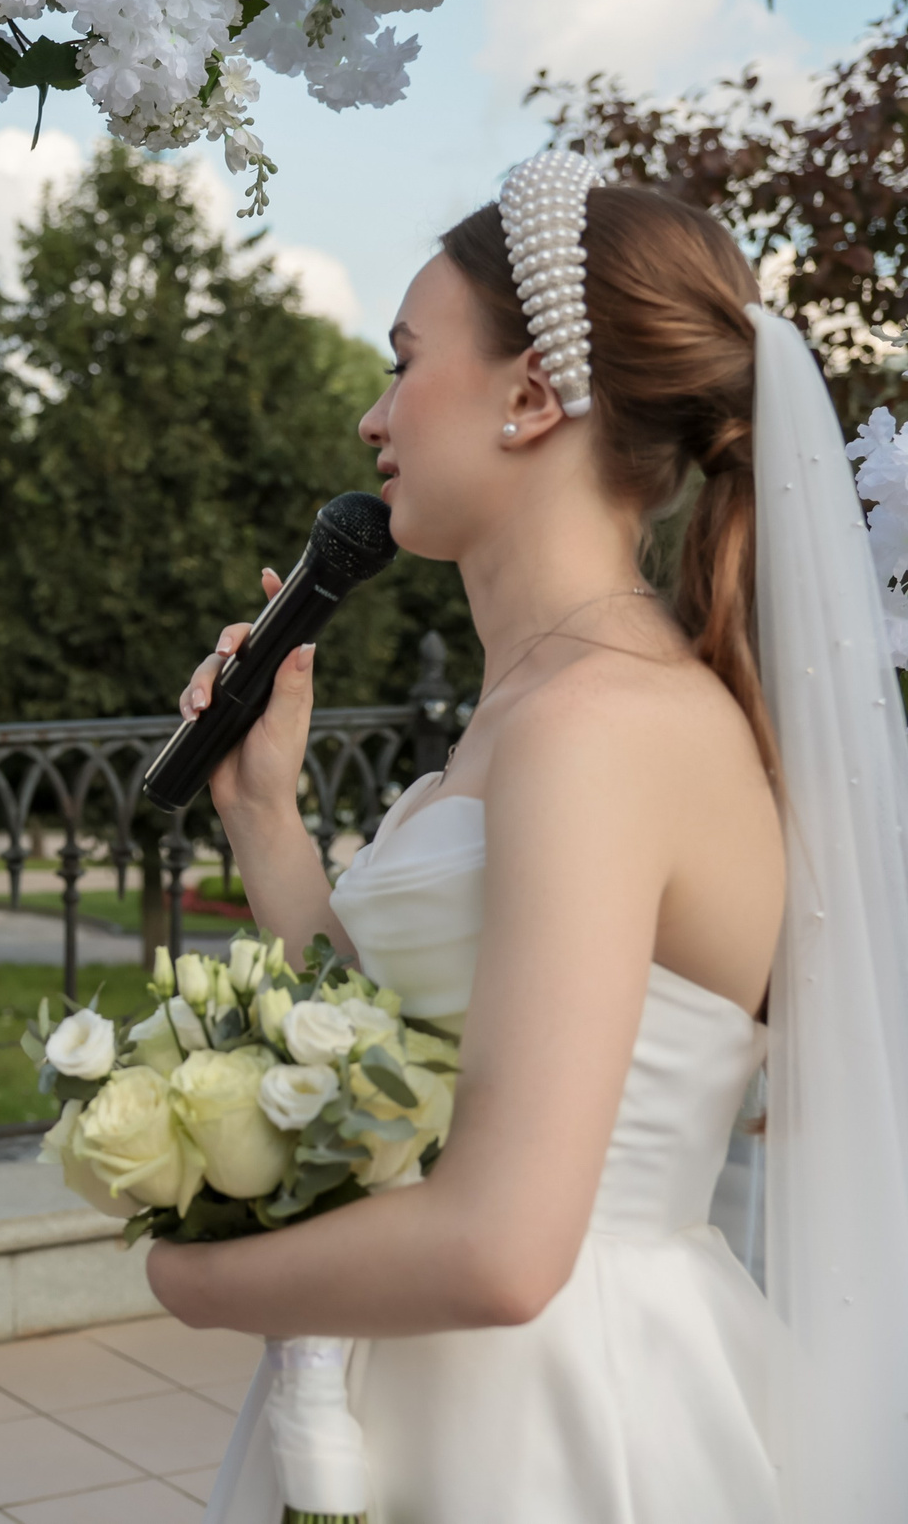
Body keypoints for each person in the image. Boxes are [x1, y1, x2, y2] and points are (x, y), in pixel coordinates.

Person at [160, 156, 908, 1521]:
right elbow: (389, 1085)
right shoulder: (548, 711)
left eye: (402, 361)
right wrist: (267, 819)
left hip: (557, 1423)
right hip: (435, 1396)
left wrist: (189, 1277)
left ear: (532, 395)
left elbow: (505, 1247)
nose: (375, 416)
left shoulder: (599, 728)